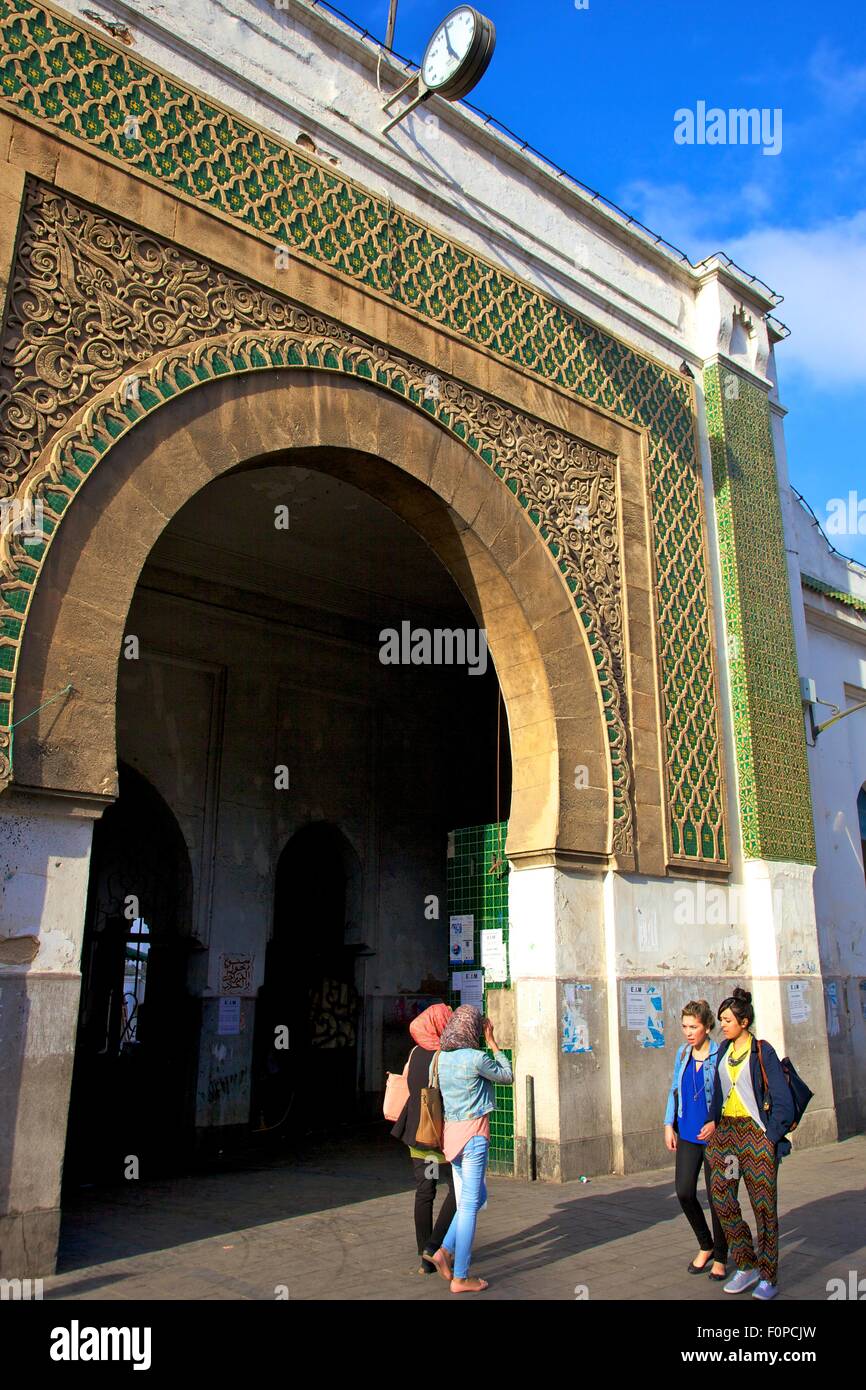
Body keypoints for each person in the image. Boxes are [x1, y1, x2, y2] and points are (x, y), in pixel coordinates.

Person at [705, 987, 795, 1300]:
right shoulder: (722, 1051)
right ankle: (746, 1263)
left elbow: (782, 1099)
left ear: (744, 1022)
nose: (723, 1025)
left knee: (763, 1207)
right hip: (727, 1136)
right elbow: (718, 1092)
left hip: (756, 1136)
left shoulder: (761, 1051)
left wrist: (771, 1137)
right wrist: (713, 1122)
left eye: (728, 1020)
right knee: (722, 1197)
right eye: (720, 1020)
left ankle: (768, 1275)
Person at [429, 1004, 513, 1293]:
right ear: (474, 1030)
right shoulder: (476, 1058)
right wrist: (493, 1044)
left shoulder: (440, 1059)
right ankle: (461, 1276)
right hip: (474, 1134)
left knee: (476, 1196)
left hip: (451, 1135)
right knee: (468, 1206)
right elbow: (507, 1075)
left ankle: (445, 1249)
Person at [390, 1002, 456, 1275]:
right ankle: (433, 1247)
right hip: (441, 1135)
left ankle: (423, 1260)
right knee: (458, 1190)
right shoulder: (445, 1056)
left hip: (416, 1132)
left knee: (424, 1192)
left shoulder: (415, 1052)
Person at [664, 1000, 728, 1280]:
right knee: (685, 1192)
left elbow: (728, 1096)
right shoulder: (682, 1054)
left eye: (694, 1027)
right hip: (688, 1134)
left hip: (715, 1138)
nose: (689, 1032)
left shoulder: (720, 1055)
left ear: (707, 1027)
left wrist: (716, 1122)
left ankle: (722, 1258)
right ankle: (706, 1244)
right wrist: (668, 1124)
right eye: (685, 1027)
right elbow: (674, 1090)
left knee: (718, 1199)